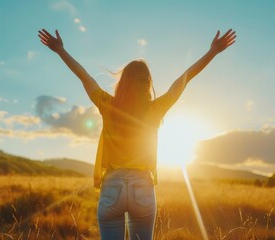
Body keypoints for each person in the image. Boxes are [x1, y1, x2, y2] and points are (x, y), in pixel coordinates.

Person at [38, 28, 236, 240]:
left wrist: (61, 51)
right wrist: (212, 52)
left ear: (123, 82)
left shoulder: (107, 105)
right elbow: (184, 79)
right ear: (147, 83)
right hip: (143, 186)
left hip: (112, 186)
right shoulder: (156, 108)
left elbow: (84, 76)